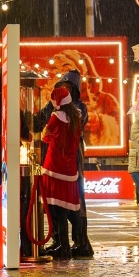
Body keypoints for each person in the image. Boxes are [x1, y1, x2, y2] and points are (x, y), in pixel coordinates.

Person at [34, 70, 94, 257]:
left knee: (73, 202)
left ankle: (80, 242)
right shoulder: (56, 107)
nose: (65, 90)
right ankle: (61, 241)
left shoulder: (78, 108)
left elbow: (55, 130)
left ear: (74, 90)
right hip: (57, 158)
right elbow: (38, 122)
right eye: (62, 87)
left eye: (68, 87)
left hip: (71, 160)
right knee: (57, 203)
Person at [39, 86, 83, 259]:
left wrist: (44, 133)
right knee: (66, 208)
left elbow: (45, 137)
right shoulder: (77, 117)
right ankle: (73, 243)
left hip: (53, 168)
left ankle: (61, 244)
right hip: (70, 169)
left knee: (54, 208)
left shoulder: (55, 117)